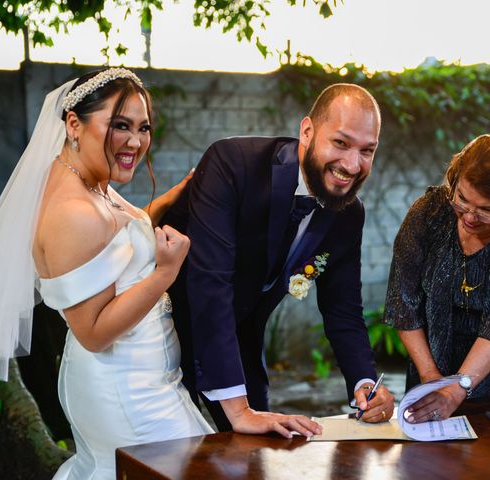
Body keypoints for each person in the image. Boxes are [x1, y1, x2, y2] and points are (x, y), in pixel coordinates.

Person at [0, 68, 214, 480]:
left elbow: (114, 245)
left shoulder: (87, 179)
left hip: (145, 381)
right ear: (72, 124)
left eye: (143, 128)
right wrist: (164, 273)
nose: (135, 142)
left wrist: (169, 199)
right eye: (119, 126)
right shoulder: (73, 213)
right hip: (124, 391)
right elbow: (94, 332)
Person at [162, 83, 395, 435]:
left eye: (367, 151)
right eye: (341, 143)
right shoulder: (233, 164)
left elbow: (343, 309)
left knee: (262, 456)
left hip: (239, 341)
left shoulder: (348, 214)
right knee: (167, 458)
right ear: (307, 131)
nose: (352, 164)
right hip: (163, 335)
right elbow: (210, 284)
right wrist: (239, 411)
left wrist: (365, 383)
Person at [384, 133, 490, 423]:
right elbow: (404, 300)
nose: (469, 217)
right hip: (433, 357)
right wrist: (431, 377)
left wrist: (456, 390)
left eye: (487, 210)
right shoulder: (428, 213)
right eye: (462, 200)